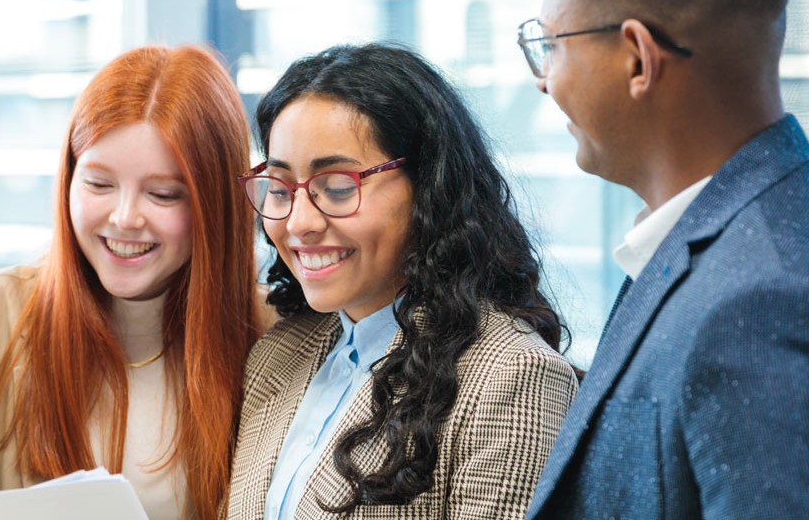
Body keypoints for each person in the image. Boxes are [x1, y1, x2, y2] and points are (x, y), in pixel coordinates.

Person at [519, 0, 809, 518]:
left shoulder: (771, 304)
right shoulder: (756, 240)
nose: (544, 80)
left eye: (553, 44)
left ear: (638, 58)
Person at [0, 44, 260, 520]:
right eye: (99, 185)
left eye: (163, 194)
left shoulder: (280, 338)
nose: (124, 218)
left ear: (217, 204)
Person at [225, 43, 577, 520]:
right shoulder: (279, 353)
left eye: (338, 186)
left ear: (429, 187)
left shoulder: (510, 377)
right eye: (282, 188)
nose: (299, 222)